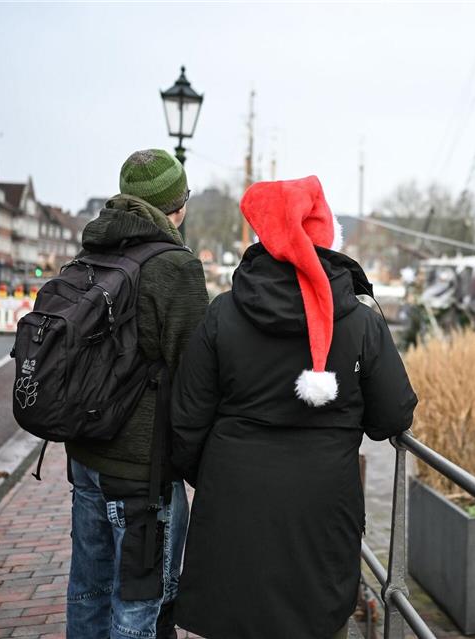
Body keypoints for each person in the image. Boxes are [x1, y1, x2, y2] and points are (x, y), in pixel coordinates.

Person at [171, 175, 417, 638]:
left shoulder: (223, 312)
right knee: (316, 621)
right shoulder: (361, 320)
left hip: (234, 498)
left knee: (233, 619)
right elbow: (393, 416)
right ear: (326, 239)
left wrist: (218, 477)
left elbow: (185, 422)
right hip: (322, 507)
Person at [66, 149, 209, 639]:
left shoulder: (91, 251)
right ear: (177, 205)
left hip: (84, 452)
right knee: (140, 602)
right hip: (140, 472)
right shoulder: (176, 268)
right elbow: (195, 374)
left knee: (87, 588)